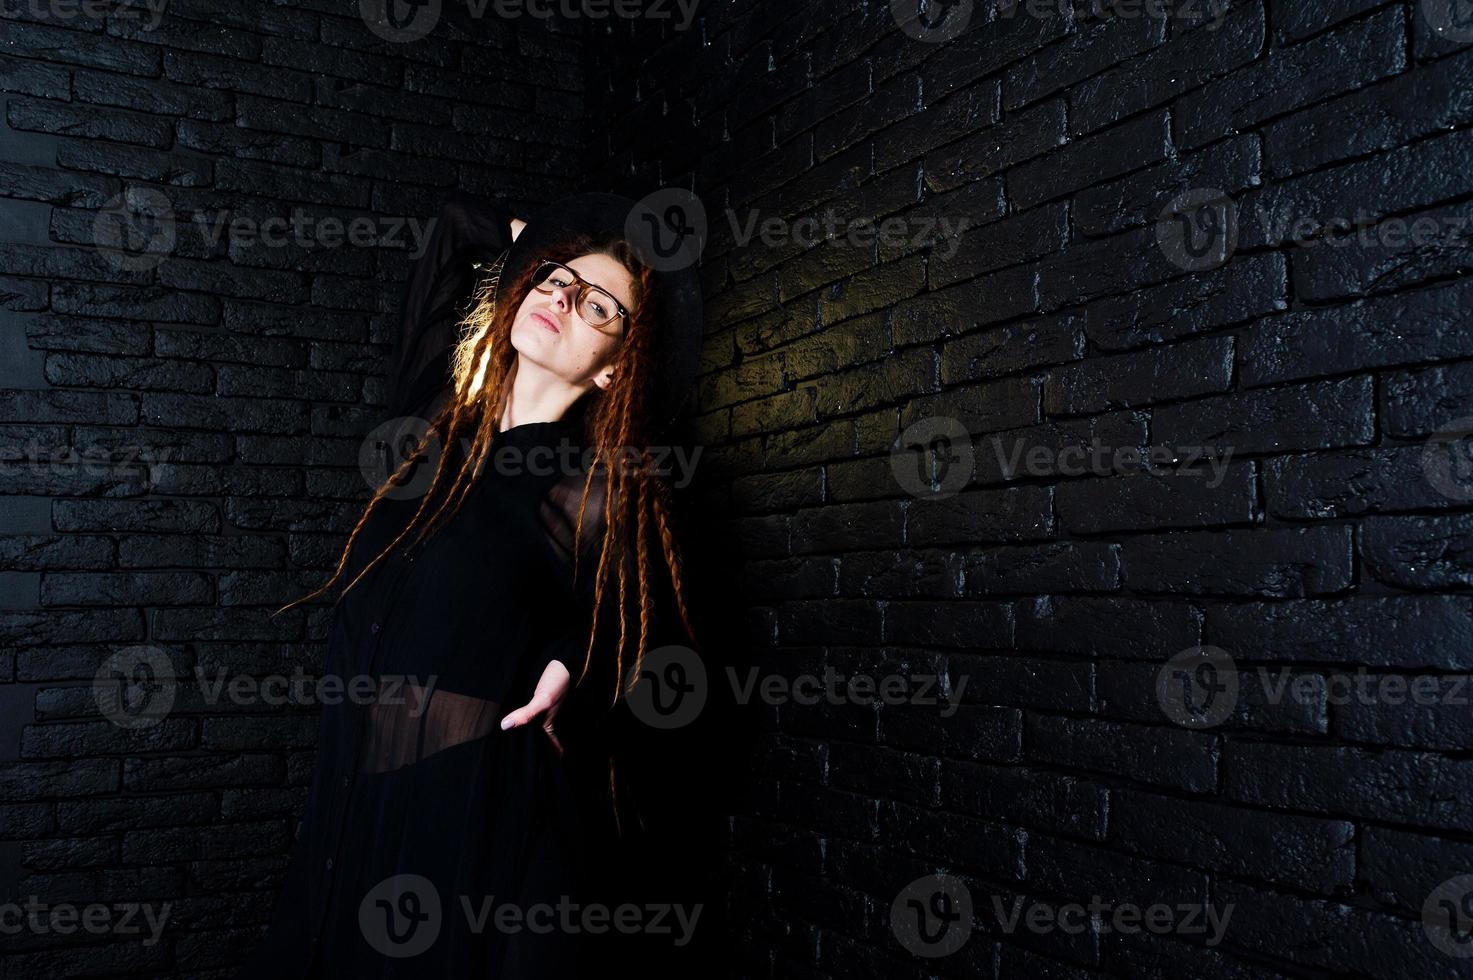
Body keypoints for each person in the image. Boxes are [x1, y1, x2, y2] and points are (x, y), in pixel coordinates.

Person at [235, 188, 705, 977]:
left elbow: (639, 632)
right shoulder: (427, 429)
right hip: (350, 796)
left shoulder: (590, 488)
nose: (560, 295)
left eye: (597, 305)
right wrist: (539, 241)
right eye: (554, 278)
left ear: (617, 365)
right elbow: (452, 226)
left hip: (471, 820)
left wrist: (568, 668)